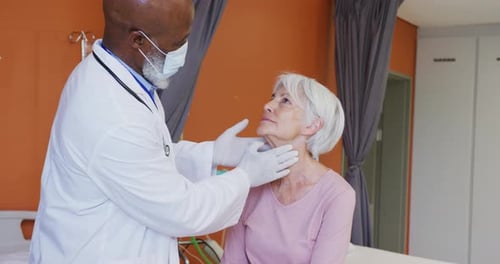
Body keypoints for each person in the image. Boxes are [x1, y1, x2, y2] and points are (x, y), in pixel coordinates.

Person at [28, 0, 299, 263]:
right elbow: (182, 210)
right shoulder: (112, 115)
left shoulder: (118, 74)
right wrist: (246, 177)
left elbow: (149, 154)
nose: (184, 51)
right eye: (177, 44)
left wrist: (213, 153)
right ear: (138, 41)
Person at [221, 73, 356, 264]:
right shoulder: (251, 179)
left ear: (312, 125)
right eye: (272, 98)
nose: (267, 106)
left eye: (285, 100)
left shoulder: (338, 195)